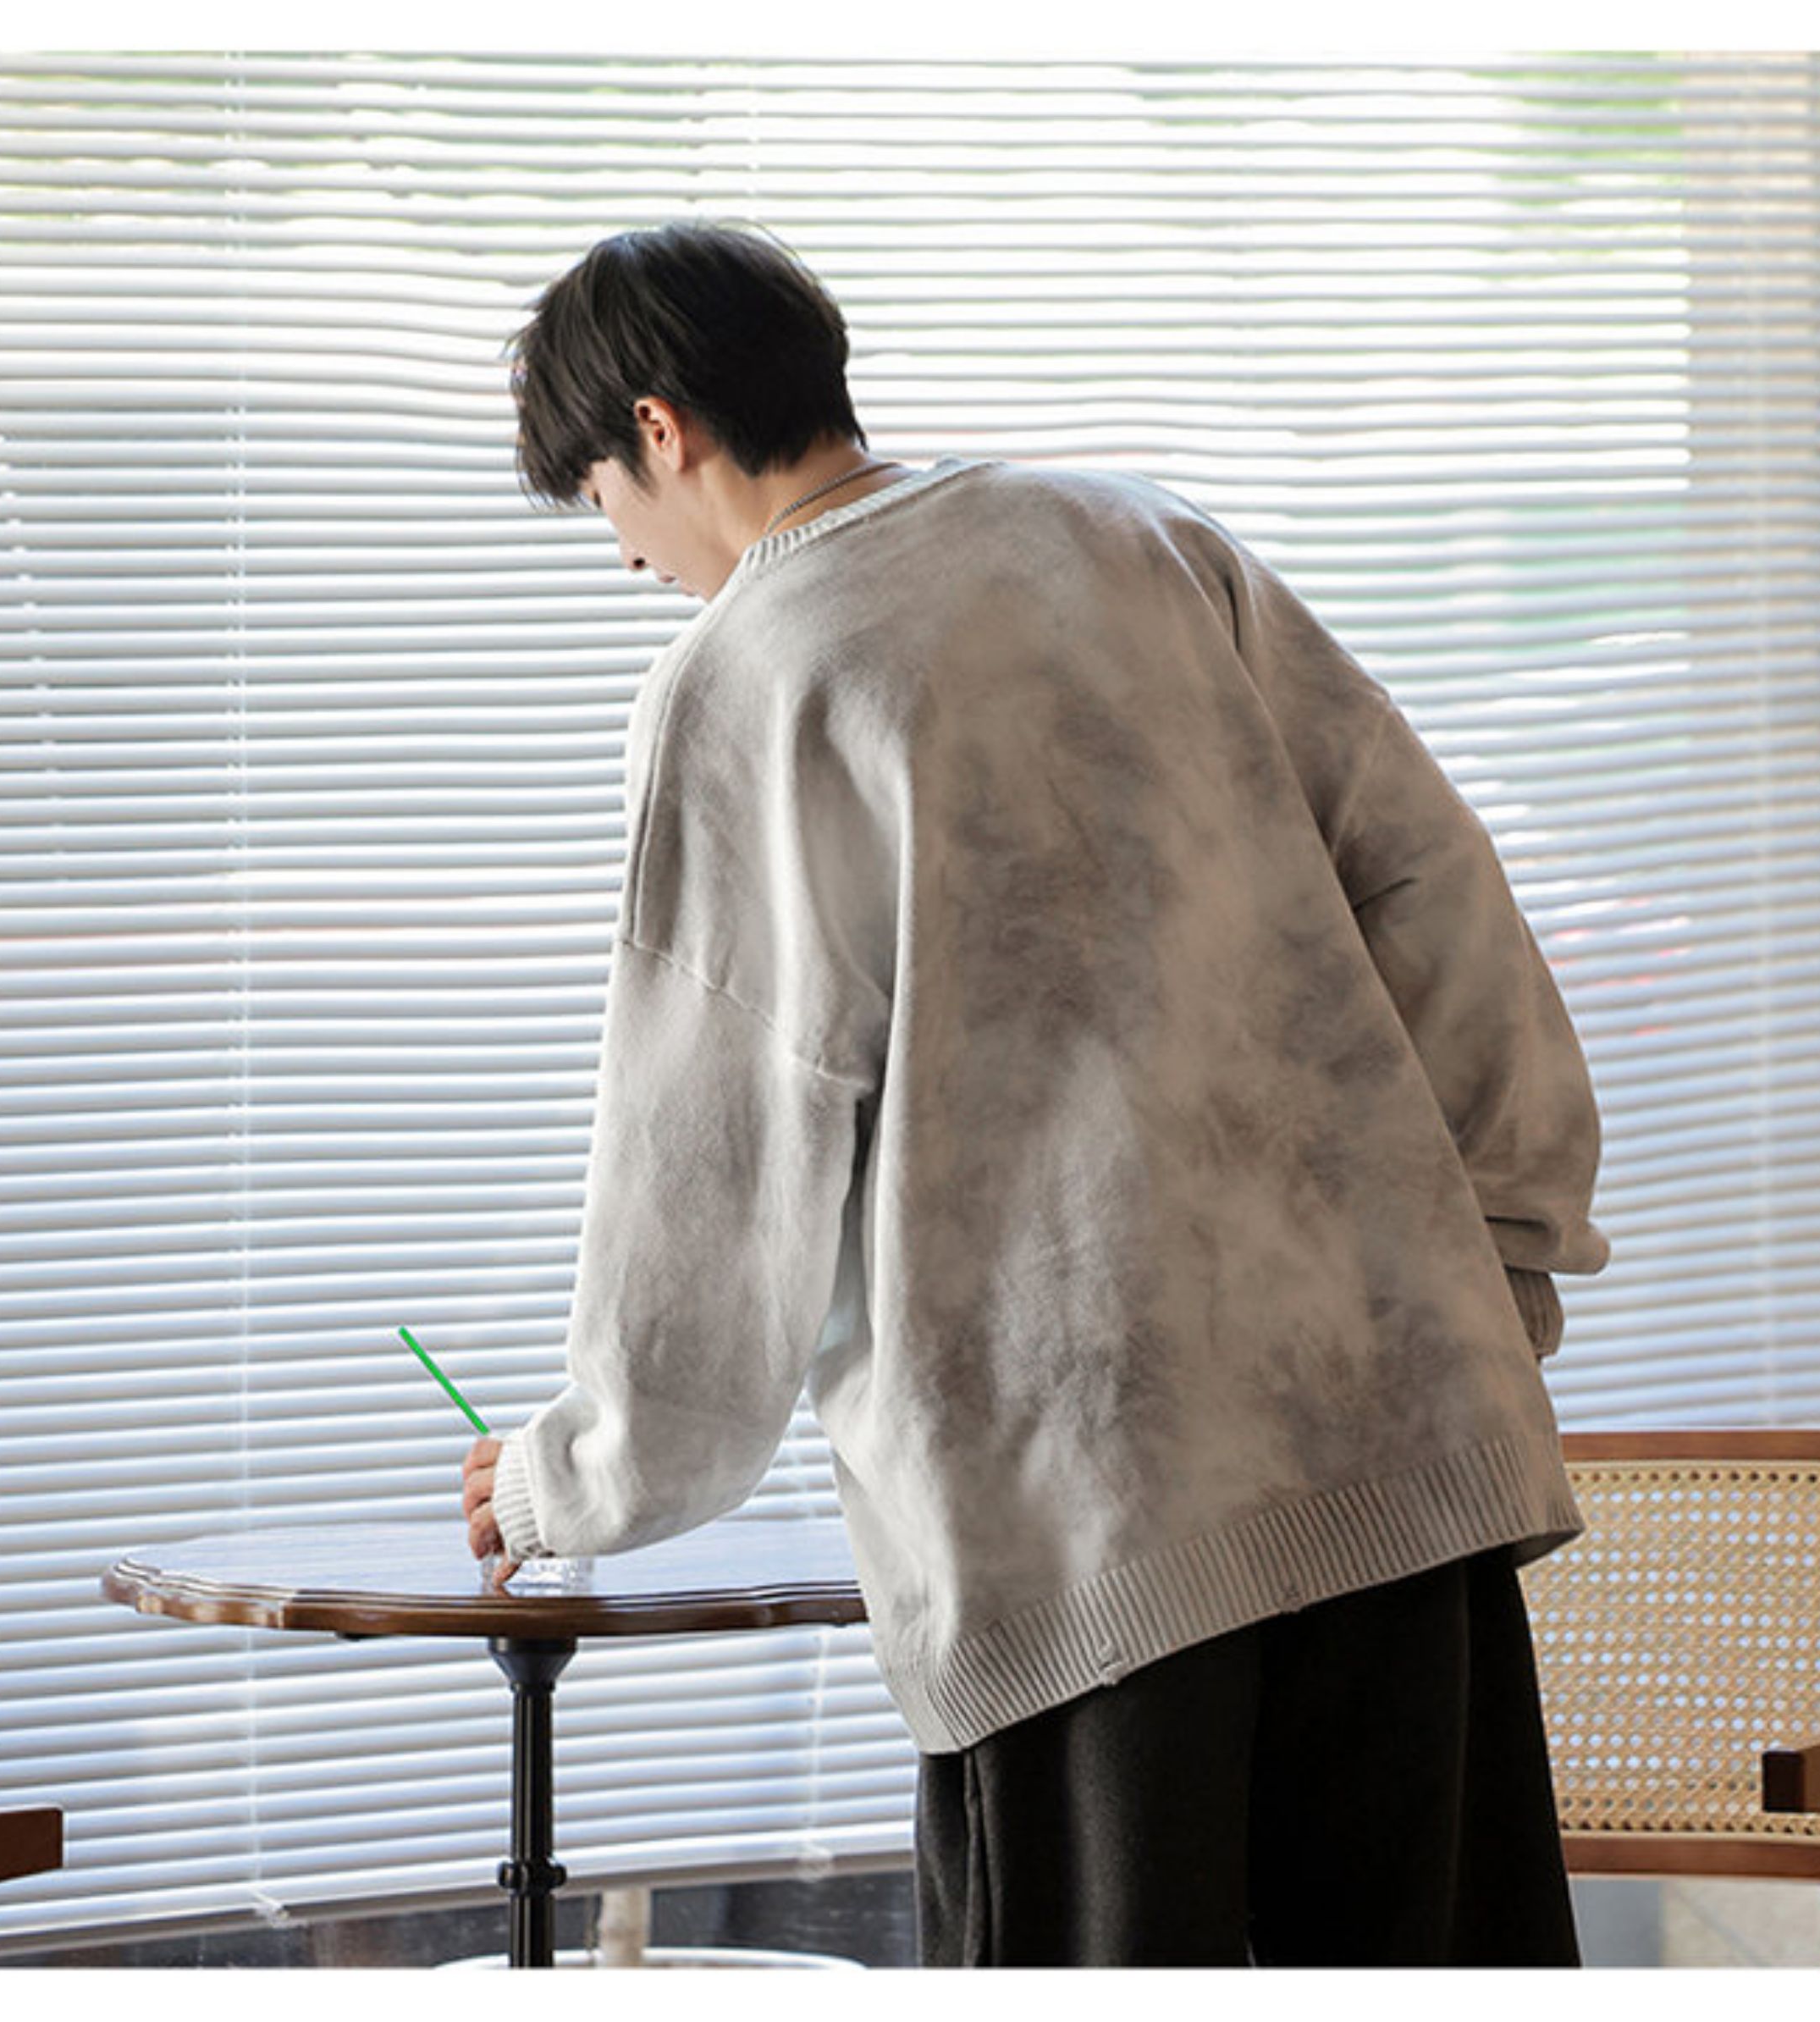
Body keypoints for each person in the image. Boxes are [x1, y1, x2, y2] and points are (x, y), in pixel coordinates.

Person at [460, 218, 1612, 1968]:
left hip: (1092, 1520)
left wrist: (572, 1479)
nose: (625, 556)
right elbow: (1433, 883)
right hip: (1402, 1443)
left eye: (599, 500)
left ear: (661, 429)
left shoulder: (755, 671)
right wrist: (1498, 1261)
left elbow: (719, 1148)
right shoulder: (1141, 537)